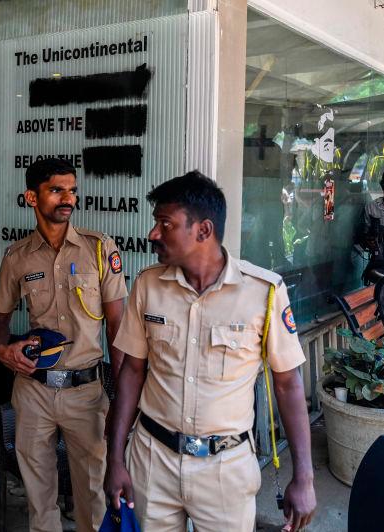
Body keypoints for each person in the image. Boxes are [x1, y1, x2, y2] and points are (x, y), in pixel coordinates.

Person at [105, 171, 316, 532]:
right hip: (153, 460)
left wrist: (305, 477)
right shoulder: (147, 285)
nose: (154, 234)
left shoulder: (263, 292)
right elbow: (131, 371)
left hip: (226, 469)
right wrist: (115, 458)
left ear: (203, 230)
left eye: (165, 223)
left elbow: (288, 385)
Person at [0, 157, 128, 532]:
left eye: (72, 190)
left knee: (93, 494)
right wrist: (4, 351)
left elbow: (118, 328)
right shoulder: (16, 257)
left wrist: (117, 397)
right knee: (38, 493)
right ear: (32, 198)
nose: (67, 198)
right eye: (56, 190)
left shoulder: (99, 249)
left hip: (86, 392)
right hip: (33, 390)